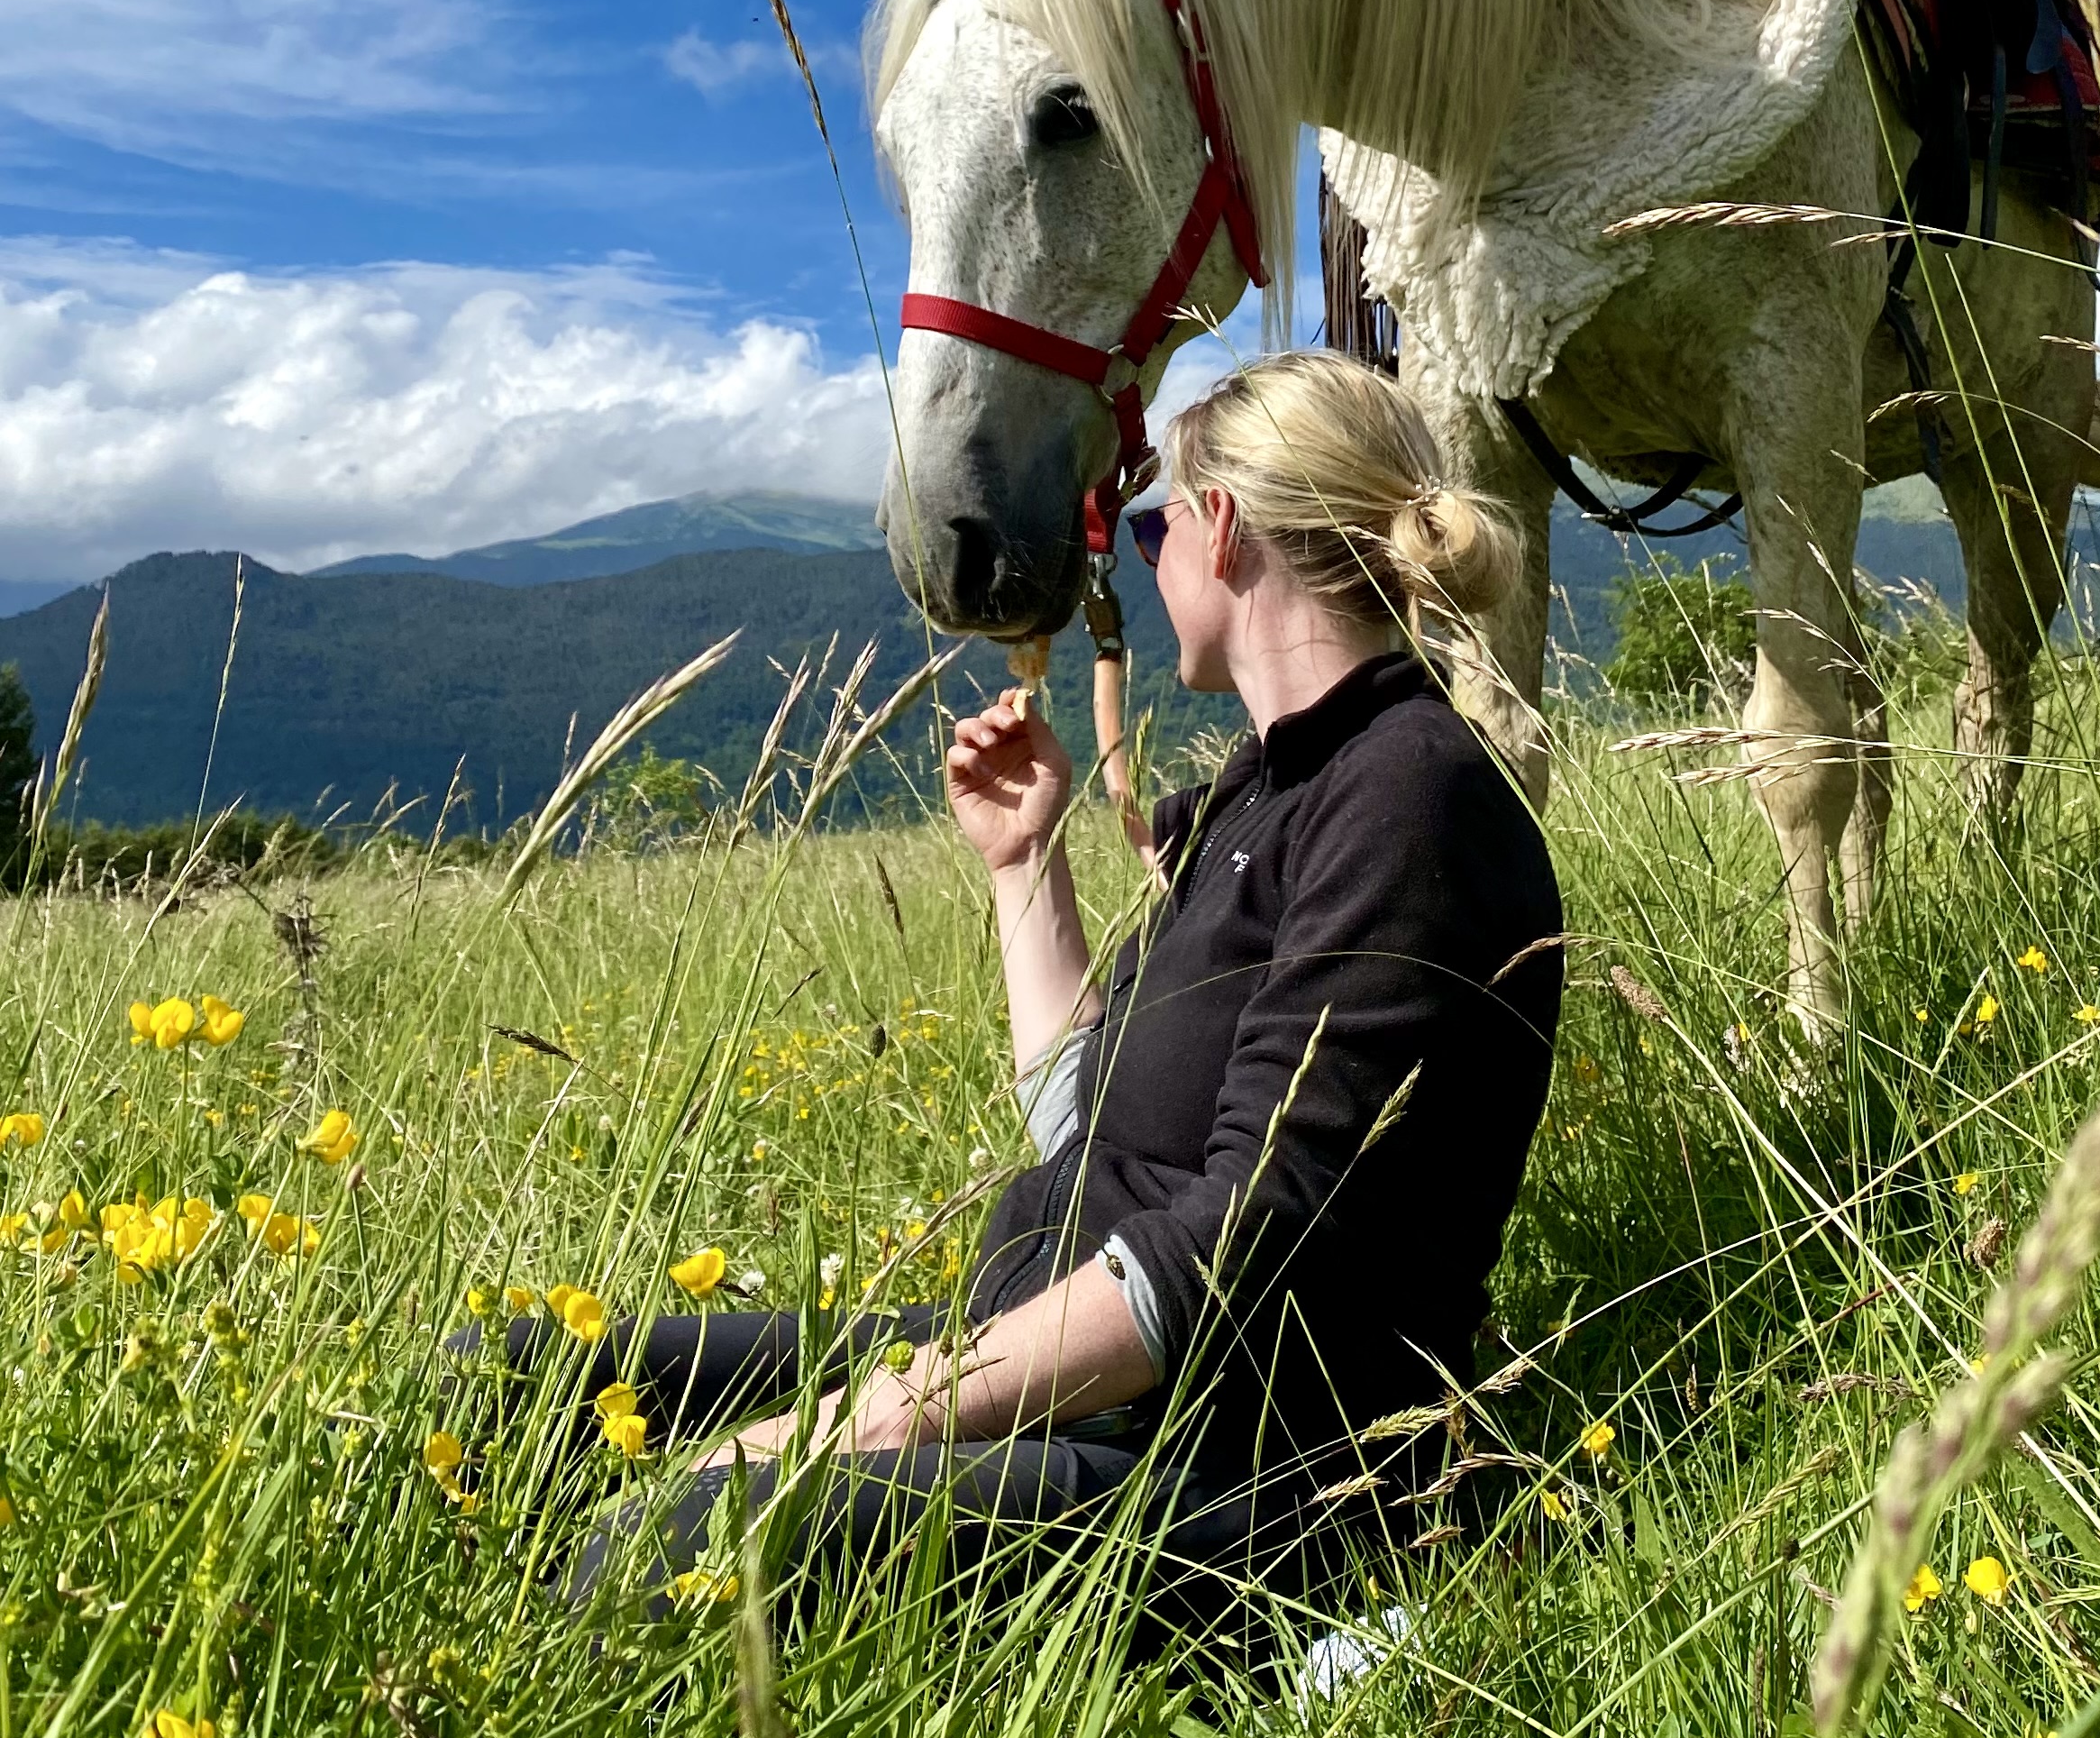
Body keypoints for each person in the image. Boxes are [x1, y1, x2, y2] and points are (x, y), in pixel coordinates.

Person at [516, 352, 1564, 1657]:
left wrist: (890, 1412)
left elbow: (1248, 1239)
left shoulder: (1406, 794)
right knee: (529, 1388)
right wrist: (1025, 863)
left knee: (677, 1543)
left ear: (1220, 527)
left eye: (1151, 524)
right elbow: (1091, 1130)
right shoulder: (1267, 789)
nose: (1142, 556)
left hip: (1243, 1475)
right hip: (1054, 1371)